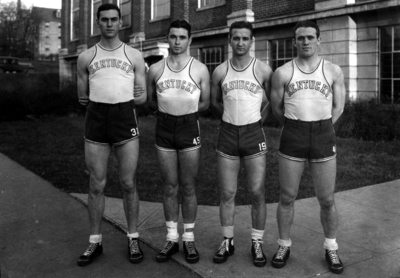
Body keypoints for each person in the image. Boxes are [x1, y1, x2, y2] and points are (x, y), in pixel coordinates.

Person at [270, 20, 346, 274]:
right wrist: (296, 127)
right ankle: (283, 245)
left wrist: (324, 127)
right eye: (300, 38)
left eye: (310, 37)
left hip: (323, 133)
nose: (305, 42)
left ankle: (331, 247)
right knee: (287, 196)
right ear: (294, 42)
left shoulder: (333, 70)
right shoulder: (283, 72)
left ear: (318, 40)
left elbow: (338, 106)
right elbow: (277, 108)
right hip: (294, 133)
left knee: (326, 198)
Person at [76, 3, 147, 266]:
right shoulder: (86, 57)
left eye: (114, 19)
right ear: (98, 22)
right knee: (96, 183)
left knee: (128, 182)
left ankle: (133, 237)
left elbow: (142, 97)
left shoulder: (134, 55)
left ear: (120, 22)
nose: (109, 23)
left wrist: (129, 98)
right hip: (96, 120)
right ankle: (94, 242)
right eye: (104, 19)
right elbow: (82, 96)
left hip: (124, 118)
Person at [146, 19, 210, 264]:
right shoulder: (156, 69)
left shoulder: (200, 69)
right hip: (164, 127)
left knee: (188, 185)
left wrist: (187, 112)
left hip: (188, 126)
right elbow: (152, 99)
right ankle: (172, 238)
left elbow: (205, 102)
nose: (177, 41)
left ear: (190, 40)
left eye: (182, 37)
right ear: (168, 38)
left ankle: (189, 239)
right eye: (173, 36)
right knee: (169, 185)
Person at [210, 21, 273, 267]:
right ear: (229, 40)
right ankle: (227, 240)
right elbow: (215, 102)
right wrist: (227, 120)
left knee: (257, 191)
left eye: (245, 38)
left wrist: (259, 122)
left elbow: (273, 101)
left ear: (251, 41)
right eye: (236, 38)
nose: (240, 43)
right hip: (227, 133)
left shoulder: (263, 70)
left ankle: (257, 242)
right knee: (227, 192)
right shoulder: (220, 71)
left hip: (253, 133)